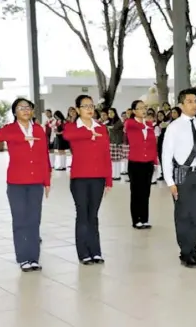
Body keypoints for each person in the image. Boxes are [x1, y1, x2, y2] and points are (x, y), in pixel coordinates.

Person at [0, 98, 51, 272]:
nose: (26, 110)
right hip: (16, 183)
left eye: (28, 107)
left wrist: (47, 180)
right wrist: (22, 137)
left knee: (34, 220)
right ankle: (23, 258)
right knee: (20, 220)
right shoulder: (10, 129)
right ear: (15, 112)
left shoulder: (39, 129)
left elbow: (44, 156)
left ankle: (33, 258)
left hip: (36, 182)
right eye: (21, 108)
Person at [162, 88, 196, 268]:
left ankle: (194, 251)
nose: (194, 105)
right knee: (184, 215)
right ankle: (185, 252)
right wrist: (170, 181)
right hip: (182, 175)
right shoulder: (174, 127)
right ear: (181, 105)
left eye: (195, 101)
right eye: (189, 101)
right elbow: (166, 155)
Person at [63, 95, 112, 265]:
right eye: (85, 106)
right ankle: (83, 252)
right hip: (80, 178)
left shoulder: (102, 128)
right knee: (82, 215)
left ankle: (95, 251)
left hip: (98, 178)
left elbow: (106, 154)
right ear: (77, 110)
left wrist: (109, 179)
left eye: (91, 105)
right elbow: (69, 136)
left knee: (93, 215)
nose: (89, 109)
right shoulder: (71, 127)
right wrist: (89, 134)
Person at [125, 100, 158, 229]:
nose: (143, 110)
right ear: (134, 111)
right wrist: (147, 126)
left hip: (148, 162)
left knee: (146, 192)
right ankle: (136, 219)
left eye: (144, 108)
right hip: (135, 163)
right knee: (136, 192)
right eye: (140, 108)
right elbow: (135, 127)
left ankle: (145, 218)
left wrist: (155, 161)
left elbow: (152, 145)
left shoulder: (149, 125)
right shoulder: (130, 123)